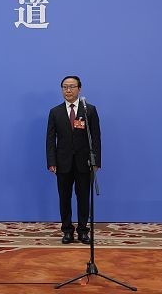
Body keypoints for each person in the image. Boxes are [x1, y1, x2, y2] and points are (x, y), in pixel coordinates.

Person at [46, 75, 101, 245]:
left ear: (79, 89)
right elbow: (50, 139)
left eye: (71, 86)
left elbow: (96, 137)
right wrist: (51, 161)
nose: (68, 90)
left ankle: (83, 231)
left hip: (84, 163)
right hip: (62, 163)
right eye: (65, 87)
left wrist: (96, 161)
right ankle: (67, 231)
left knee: (83, 198)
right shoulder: (55, 112)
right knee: (64, 198)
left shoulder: (89, 110)